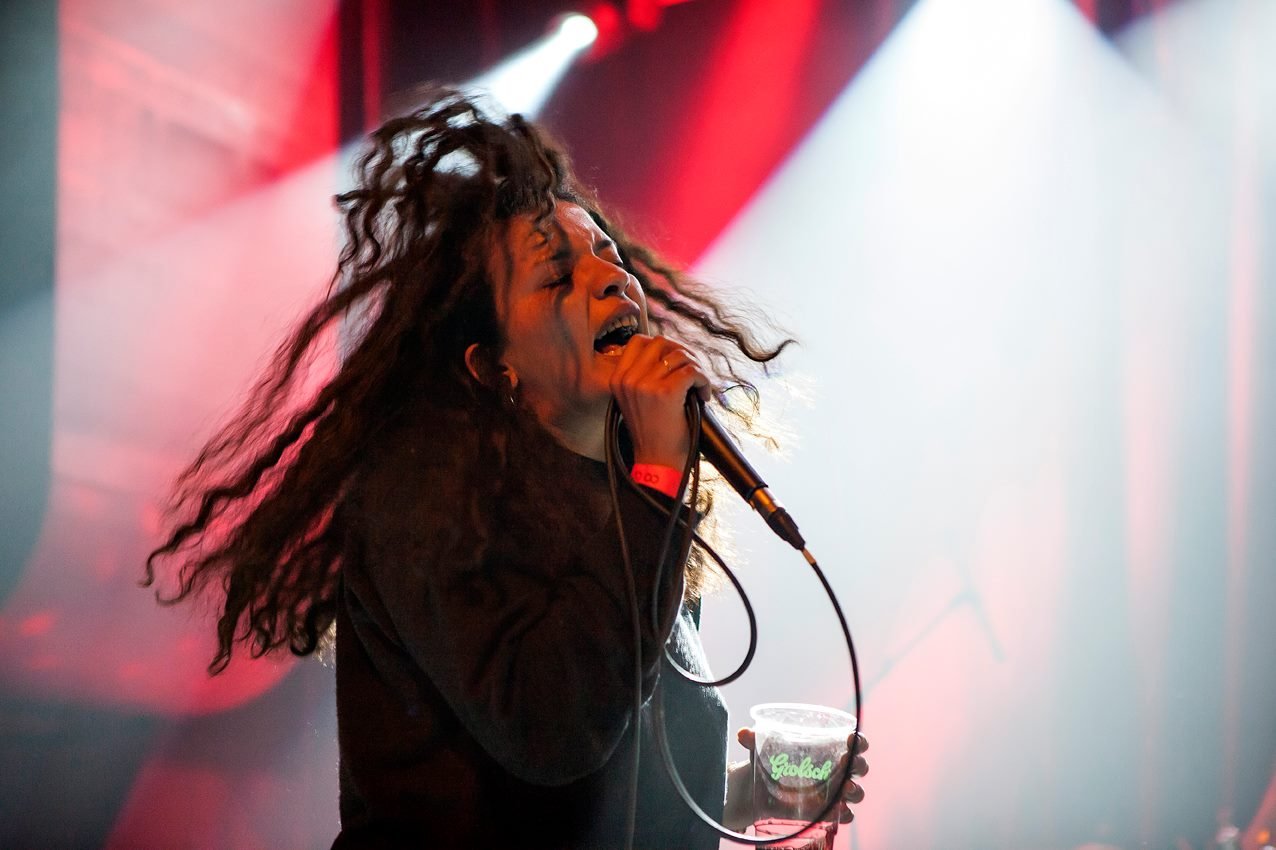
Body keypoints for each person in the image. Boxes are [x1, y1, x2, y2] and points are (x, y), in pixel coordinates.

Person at [145, 86, 867, 849]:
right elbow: (553, 730)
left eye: (609, 256)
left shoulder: (633, 496)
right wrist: (657, 482)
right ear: (493, 367)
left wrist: (738, 794)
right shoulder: (424, 501)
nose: (609, 279)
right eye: (558, 278)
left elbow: (613, 777)